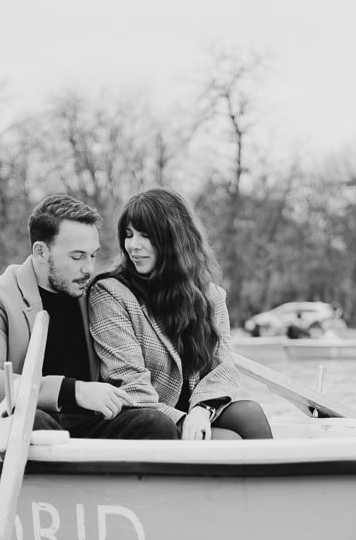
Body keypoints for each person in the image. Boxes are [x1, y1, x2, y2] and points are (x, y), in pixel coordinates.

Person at [0, 194, 178, 440]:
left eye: (92, 255)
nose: (89, 269)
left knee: (156, 424)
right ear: (41, 252)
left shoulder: (97, 295)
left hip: (88, 423)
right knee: (33, 420)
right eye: (77, 257)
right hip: (18, 425)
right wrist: (72, 391)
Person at [88, 187, 272, 441]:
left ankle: (276, 480)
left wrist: (201, 411)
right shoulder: (111, 293)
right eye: (128, 235)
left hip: (195, 410)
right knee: (228, 440)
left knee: (249, 413)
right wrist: (186, 421)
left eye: (145, 235)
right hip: (147, 416)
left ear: (173, 238)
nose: (133, 246)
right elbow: (129, 383)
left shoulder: (209, 296)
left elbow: (223, 368)